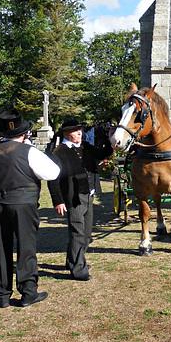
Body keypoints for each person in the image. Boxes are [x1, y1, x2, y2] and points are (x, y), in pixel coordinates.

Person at [0, 110, 60, 308]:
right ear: (23, 133)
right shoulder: (29, 151)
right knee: (26, 247)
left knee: (0, 248)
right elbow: (53, 172)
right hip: (23, 203)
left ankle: (1, 294)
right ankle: (28, 292)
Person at [47, 119, 113, 280]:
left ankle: (73, 261)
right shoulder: (59, 152)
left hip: (88, 195)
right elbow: (52, 180)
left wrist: (110, 140)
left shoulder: (85, 147)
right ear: (66, 134)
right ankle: (78, 269)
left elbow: (102, 154)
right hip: (73, 197)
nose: (80, 133)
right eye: (76, 131)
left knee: (87, 234)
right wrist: (58, 201)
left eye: (80, 130)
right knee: (77, 232)